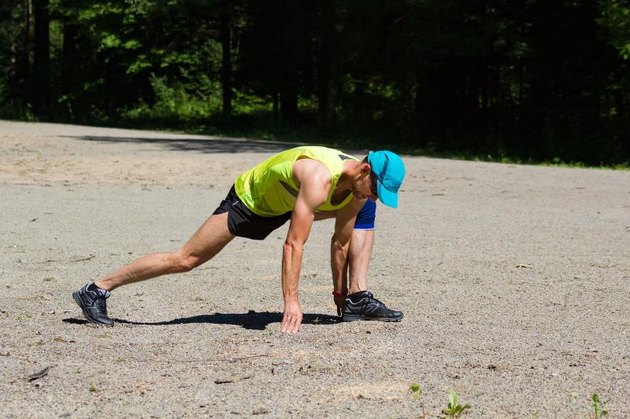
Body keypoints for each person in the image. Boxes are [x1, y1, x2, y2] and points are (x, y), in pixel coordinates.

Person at [72, 146, 406, 333]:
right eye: (377, 190)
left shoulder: (358, 195)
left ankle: (357, 300)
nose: (376, 198)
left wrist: (339, 295)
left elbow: (340, 243)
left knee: (361, 218)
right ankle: (96, 288)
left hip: (287, 205)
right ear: (364, 171)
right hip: (251, 201)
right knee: (187, 259)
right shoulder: (318, 176)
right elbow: (293, 245)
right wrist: (291, 301)